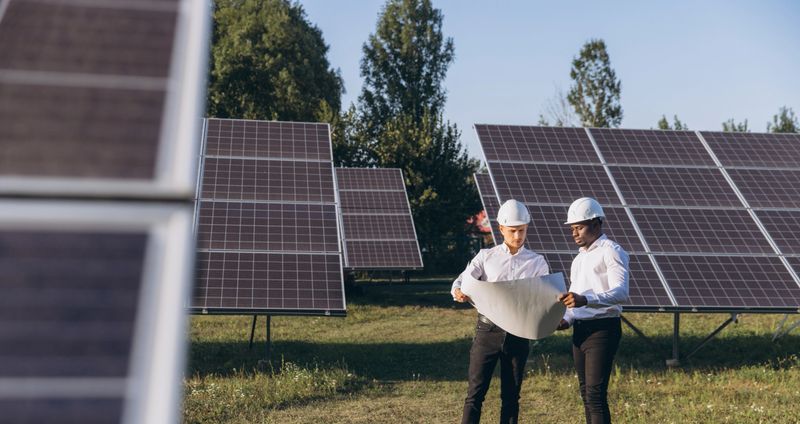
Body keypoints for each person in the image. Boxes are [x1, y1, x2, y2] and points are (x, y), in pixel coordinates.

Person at [452, 199, 549, 424]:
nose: (518, 236)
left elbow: (544, 297)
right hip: (487, 332)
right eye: (513, 231)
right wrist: (458, 290)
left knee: (511, 397)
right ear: (501, 229)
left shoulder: (537, 262)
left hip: (518, 333)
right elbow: (462, 280)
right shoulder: (486, 257)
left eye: (522, 230)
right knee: (475, 394)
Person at [556, 197, 629, 424]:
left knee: (596, 395)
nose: (574, 233)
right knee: (587, 394)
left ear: (596, 224)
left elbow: (621, 293)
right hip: (581, 331)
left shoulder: (612, 251)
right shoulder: (579, 259)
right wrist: (566, 320)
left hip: (603, 329)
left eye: (579, 227)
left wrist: (586, 300)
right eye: (572, 228)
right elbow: (573, 299)